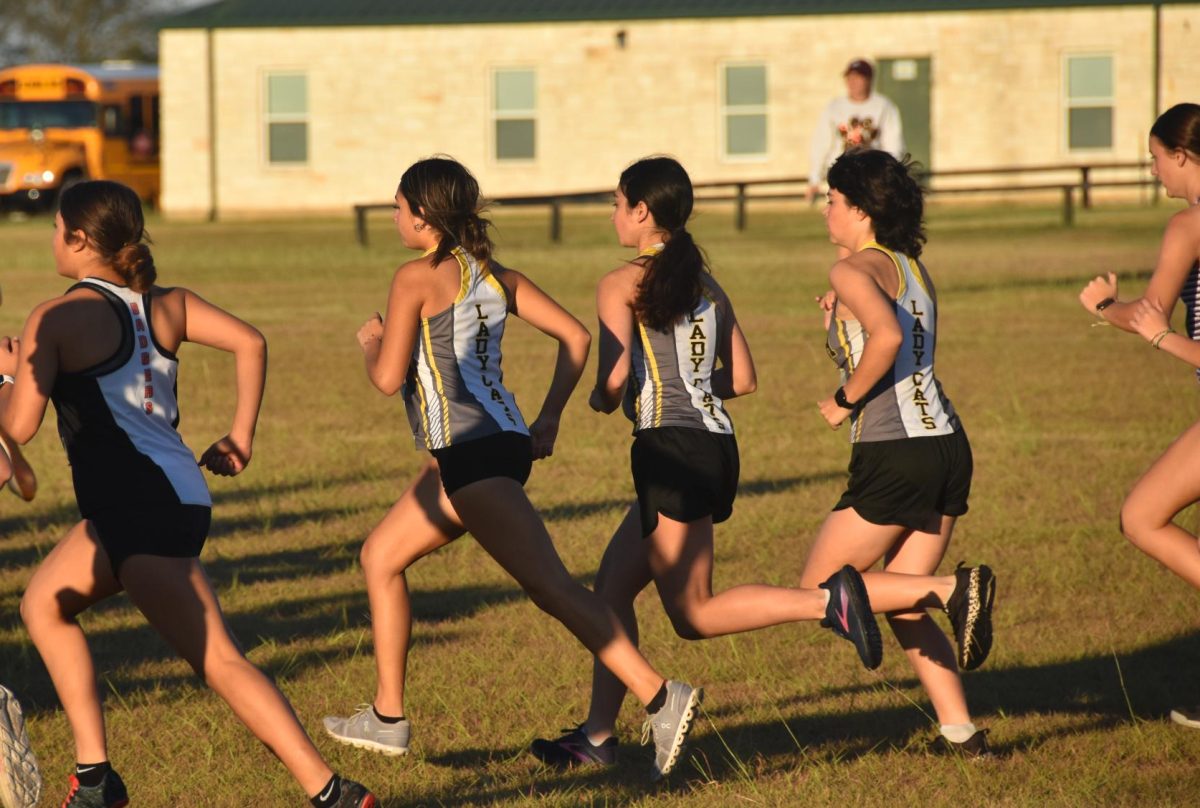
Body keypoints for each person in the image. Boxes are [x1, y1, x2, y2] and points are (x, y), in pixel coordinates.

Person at [528, 156, 995, 768]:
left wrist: (601, 398)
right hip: (913, 444)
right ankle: (596, 738)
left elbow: (613, 379)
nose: (614, 214)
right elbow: (742, 378)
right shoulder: (710, 283)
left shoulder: (620, 283)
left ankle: (932, 590)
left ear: (643, 213)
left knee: (700, 612)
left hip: (681, 451)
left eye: (617, 204)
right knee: (613, 587)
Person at [323, 156, 702, 781]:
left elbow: (388, 377)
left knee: (552, 588)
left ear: (424, 216)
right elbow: (576, 338)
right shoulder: (500, 277)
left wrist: (371, 339)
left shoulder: (414, 278)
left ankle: (661, 696)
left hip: (472, 459)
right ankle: (388, 716)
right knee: (380, 556)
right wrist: (547, 418)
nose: (394, 216)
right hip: (495, 448)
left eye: (398, 206)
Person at [0, 180, 376, 808]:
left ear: (81, 239)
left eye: (55, 229)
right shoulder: (166, 303)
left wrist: (9, 370)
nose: (51, 241)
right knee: (43, 603)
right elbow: (250, 341)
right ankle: (96, 780)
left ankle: (333, 794)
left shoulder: (56, 316)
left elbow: (17, 427)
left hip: (135, 505)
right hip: (174, 497)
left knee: (220, 662)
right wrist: (241, 436)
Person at [805, 149, 995, 756]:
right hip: (946, 444)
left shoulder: (853, 274)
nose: (825, 209)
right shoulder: (909, 266)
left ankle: (954, 591)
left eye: (833, 200)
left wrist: (844, 397)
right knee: (902, 597)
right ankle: (961, 732)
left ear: (859, 209)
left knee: (821, 586)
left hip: (896, 449)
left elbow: (885, 337)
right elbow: (887, 315)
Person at [1079, 102, 1200, 730]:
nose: (1154, 172)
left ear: (1181, 155)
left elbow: (1151, 314)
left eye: (1156, 159)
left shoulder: (1189, 225)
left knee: (1142, 515)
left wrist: (1106, 307)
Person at [807, 59, 905, 206]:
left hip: (871, 174)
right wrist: (814, 178)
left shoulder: (883, 106)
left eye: (858, 78)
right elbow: (821, 142)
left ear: (869, 80)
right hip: (841, 172)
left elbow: (893, 143)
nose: (852, 82)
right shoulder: (834, 107)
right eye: (849, 78)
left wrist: (890, 175)